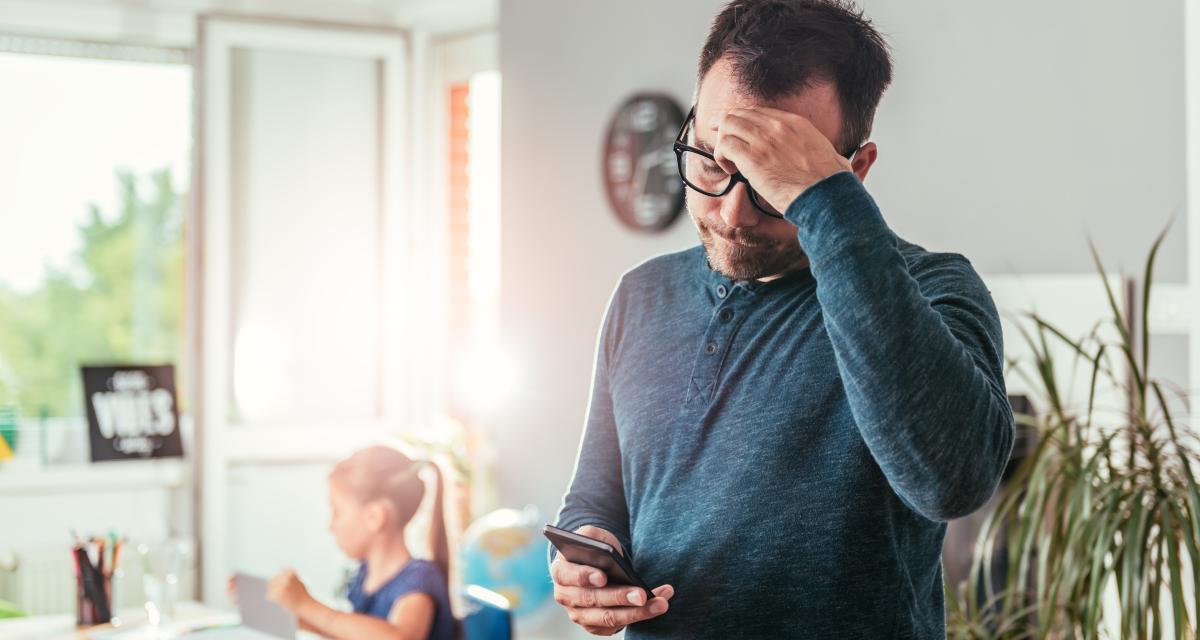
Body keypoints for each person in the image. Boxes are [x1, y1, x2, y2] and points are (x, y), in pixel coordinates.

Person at [549, 1, 1015, 637]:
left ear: (855, 170)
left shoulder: (933, 289)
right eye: (714, 161)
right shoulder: (642, 294)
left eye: (773, 181)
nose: (733, 213)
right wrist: (585, 556)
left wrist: (828, 204)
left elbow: (953, 483)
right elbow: (599, 497)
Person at [234, 445, 458, 640]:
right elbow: (359, 634)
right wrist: (294, 616)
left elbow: (398, 637)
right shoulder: (366, 573)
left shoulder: (419, 580)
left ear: (374, 517)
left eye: (337, 512)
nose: (331, 526)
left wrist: (307, 605)